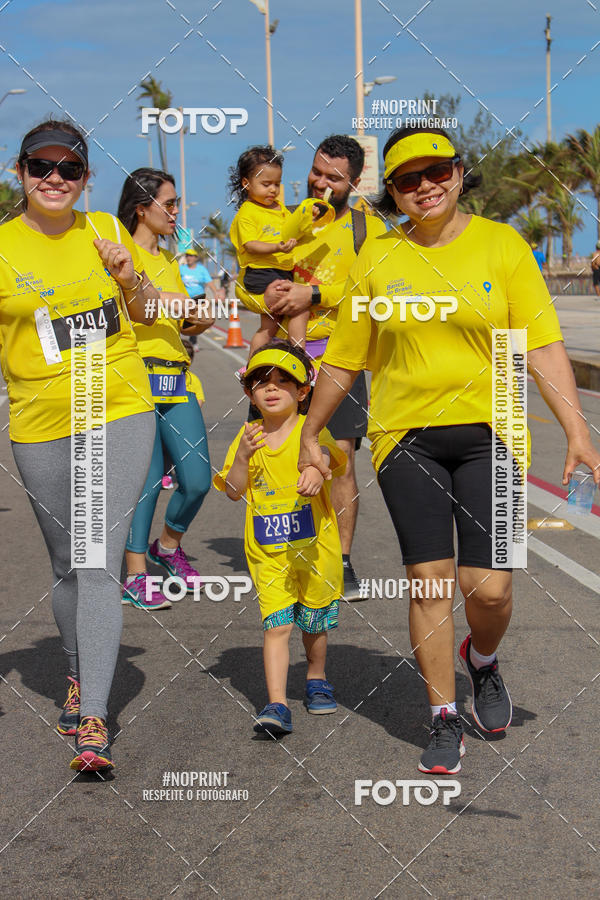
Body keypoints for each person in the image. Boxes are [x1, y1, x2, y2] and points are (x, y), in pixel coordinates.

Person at [298, 125, 600, 774]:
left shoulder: (502, 246)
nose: (425, 186)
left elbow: (543, 346)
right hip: (406, 440)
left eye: (437, 172)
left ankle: (482, 662)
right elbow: (346, 360)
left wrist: (578, 432)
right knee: (430, 583)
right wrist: (309, 432)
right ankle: (441, 714)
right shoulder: (377, 259)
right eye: (408, 179)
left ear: (461, 174)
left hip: (496, 434)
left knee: (488, 589)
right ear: (395, 194)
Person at [1, 119, 160, 771]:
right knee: (68, 562)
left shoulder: (109, 234)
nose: (56, 179)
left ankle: (94, 718)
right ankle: (77, 668)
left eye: (70, 169)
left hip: (115, 404)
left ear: (87, 178)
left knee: (95, 559)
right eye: (43, 167)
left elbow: (149, 312)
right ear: (21, 173)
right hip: (37, 419)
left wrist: (130, 279)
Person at [260, 135, 388, 600]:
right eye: (317, 171)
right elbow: (255, 282)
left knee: (340, 463)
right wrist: (271, 297)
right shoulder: (289, 221)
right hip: (285, 360)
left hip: (341, 359)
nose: (321, 183)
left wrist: (312, 295)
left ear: (353, 182)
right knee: (280, 458)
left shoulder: (365, 226)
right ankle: (289, 555)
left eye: (333, 177)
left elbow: (372, 288)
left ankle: (343, 562)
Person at [214, 340, 346, 735]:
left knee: (313, 622)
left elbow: (328, 463)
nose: (271, 389)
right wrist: (240, 460)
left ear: (303, 391)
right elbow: (234, 491)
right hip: (268, 553)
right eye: (261, 383)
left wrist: (315, 471)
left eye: (283, 382)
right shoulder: (248, 437)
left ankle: (316, 678)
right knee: (276, 625)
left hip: (315, 550)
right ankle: (276, 704)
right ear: (249, 393)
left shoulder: (312, 434)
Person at [117, 168, 214, 610]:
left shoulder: (173, 261)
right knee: (148, 482)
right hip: (134, 379)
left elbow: (181, 317)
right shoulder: (120, 255)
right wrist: (174, 302)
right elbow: (141, 308)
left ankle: (168, 547)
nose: (176, 212)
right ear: (142, 207)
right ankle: (136, 575)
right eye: (169, 204)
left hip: (177, 376)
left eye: (176, 204)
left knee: (196, 480)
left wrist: (201, 318)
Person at [229, 146, 329, 354]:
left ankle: (281, 358)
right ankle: (295, 355)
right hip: (261, 272)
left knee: (277, 321)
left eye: (277, 184)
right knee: (292, 312)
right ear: (246, 183)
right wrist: (277, 247)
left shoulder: (279, 208)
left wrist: (309, 218)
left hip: (281, 271)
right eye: (266, 184)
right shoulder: (247, 212)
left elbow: (294, 229)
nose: (273, 190)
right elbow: (250, 245)